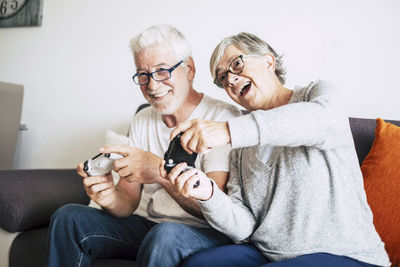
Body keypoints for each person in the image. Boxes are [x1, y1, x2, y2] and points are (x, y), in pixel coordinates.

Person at [163, 32, 390, 266]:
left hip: (345, 254)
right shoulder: (243, 146)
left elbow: (323, 120)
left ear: (268, 61)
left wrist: (229, 130)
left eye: (236, 65)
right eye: (222, 78)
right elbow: (244, 227)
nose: (230, 80)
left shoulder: (316, 95)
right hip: (268, 253)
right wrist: (208, 194)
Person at [46, 25, 241, 267]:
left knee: (165, 235)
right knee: (69, 217)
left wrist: (159, 173)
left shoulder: (222, 118)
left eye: (161, 71)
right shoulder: (142, 119)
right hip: (150, 226)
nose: (151, 85)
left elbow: (215, 210)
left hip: (203, 232)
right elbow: (128, 201)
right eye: (143, 74)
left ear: (189, 69)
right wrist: (108, 197)